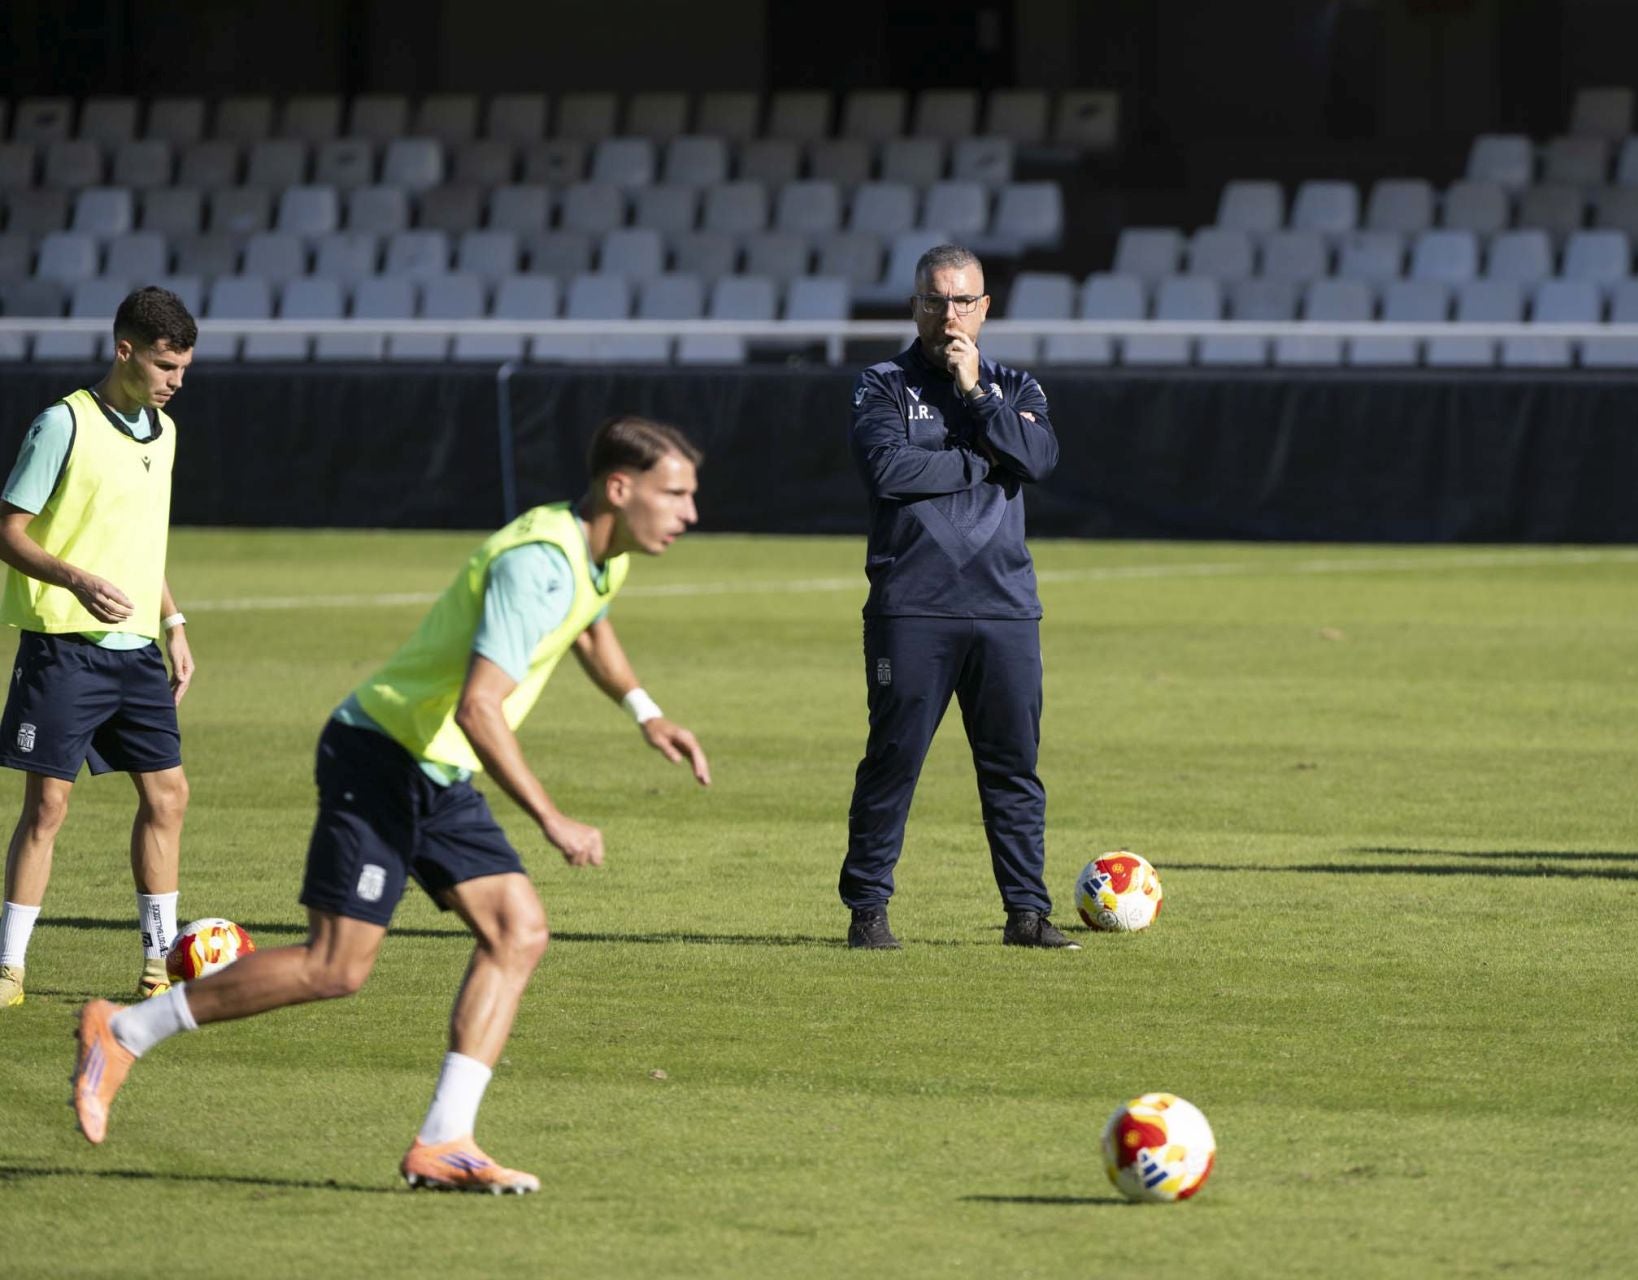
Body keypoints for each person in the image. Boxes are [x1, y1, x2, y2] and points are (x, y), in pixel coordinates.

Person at [71, 416, 711, 1195]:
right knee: (335, 967)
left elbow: (588, 624)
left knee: (518, 930)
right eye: (675, 494)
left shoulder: (595, 555)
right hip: (380, 755)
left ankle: (445, 1141)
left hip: (433, 768)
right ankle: (125, 1030)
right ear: (620, 487)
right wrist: (553, 819)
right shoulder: (539, 563)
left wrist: (646, 712)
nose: (689, 512)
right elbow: (480, 708)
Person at [839, 243, 1073, 951]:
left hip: (1006, 607)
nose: (950, 315)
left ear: (985, 308)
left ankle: (1026, 915)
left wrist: (976, 395)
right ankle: (868, 911)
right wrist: (984, 461)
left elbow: (1038, 460)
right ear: (915, 306)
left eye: (963, 301)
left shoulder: (1015, 386)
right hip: (912, 606)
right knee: (894, 760)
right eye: (936, 301)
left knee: (1013, 769)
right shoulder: (882, 384)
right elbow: (889, 471)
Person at [0, 286, 198, 1010]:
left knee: (168, 797)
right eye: (166, 366)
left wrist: (173, 622)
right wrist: (75, 579)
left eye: (183, 369)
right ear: (125, 351)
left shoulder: (164, 433)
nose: (176, 382)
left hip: (137, 652)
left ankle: (157, 965)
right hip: (64, 647)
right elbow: (9, 531)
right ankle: (8, 969)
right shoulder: (64, 424)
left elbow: (142, 542)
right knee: (48, 807)